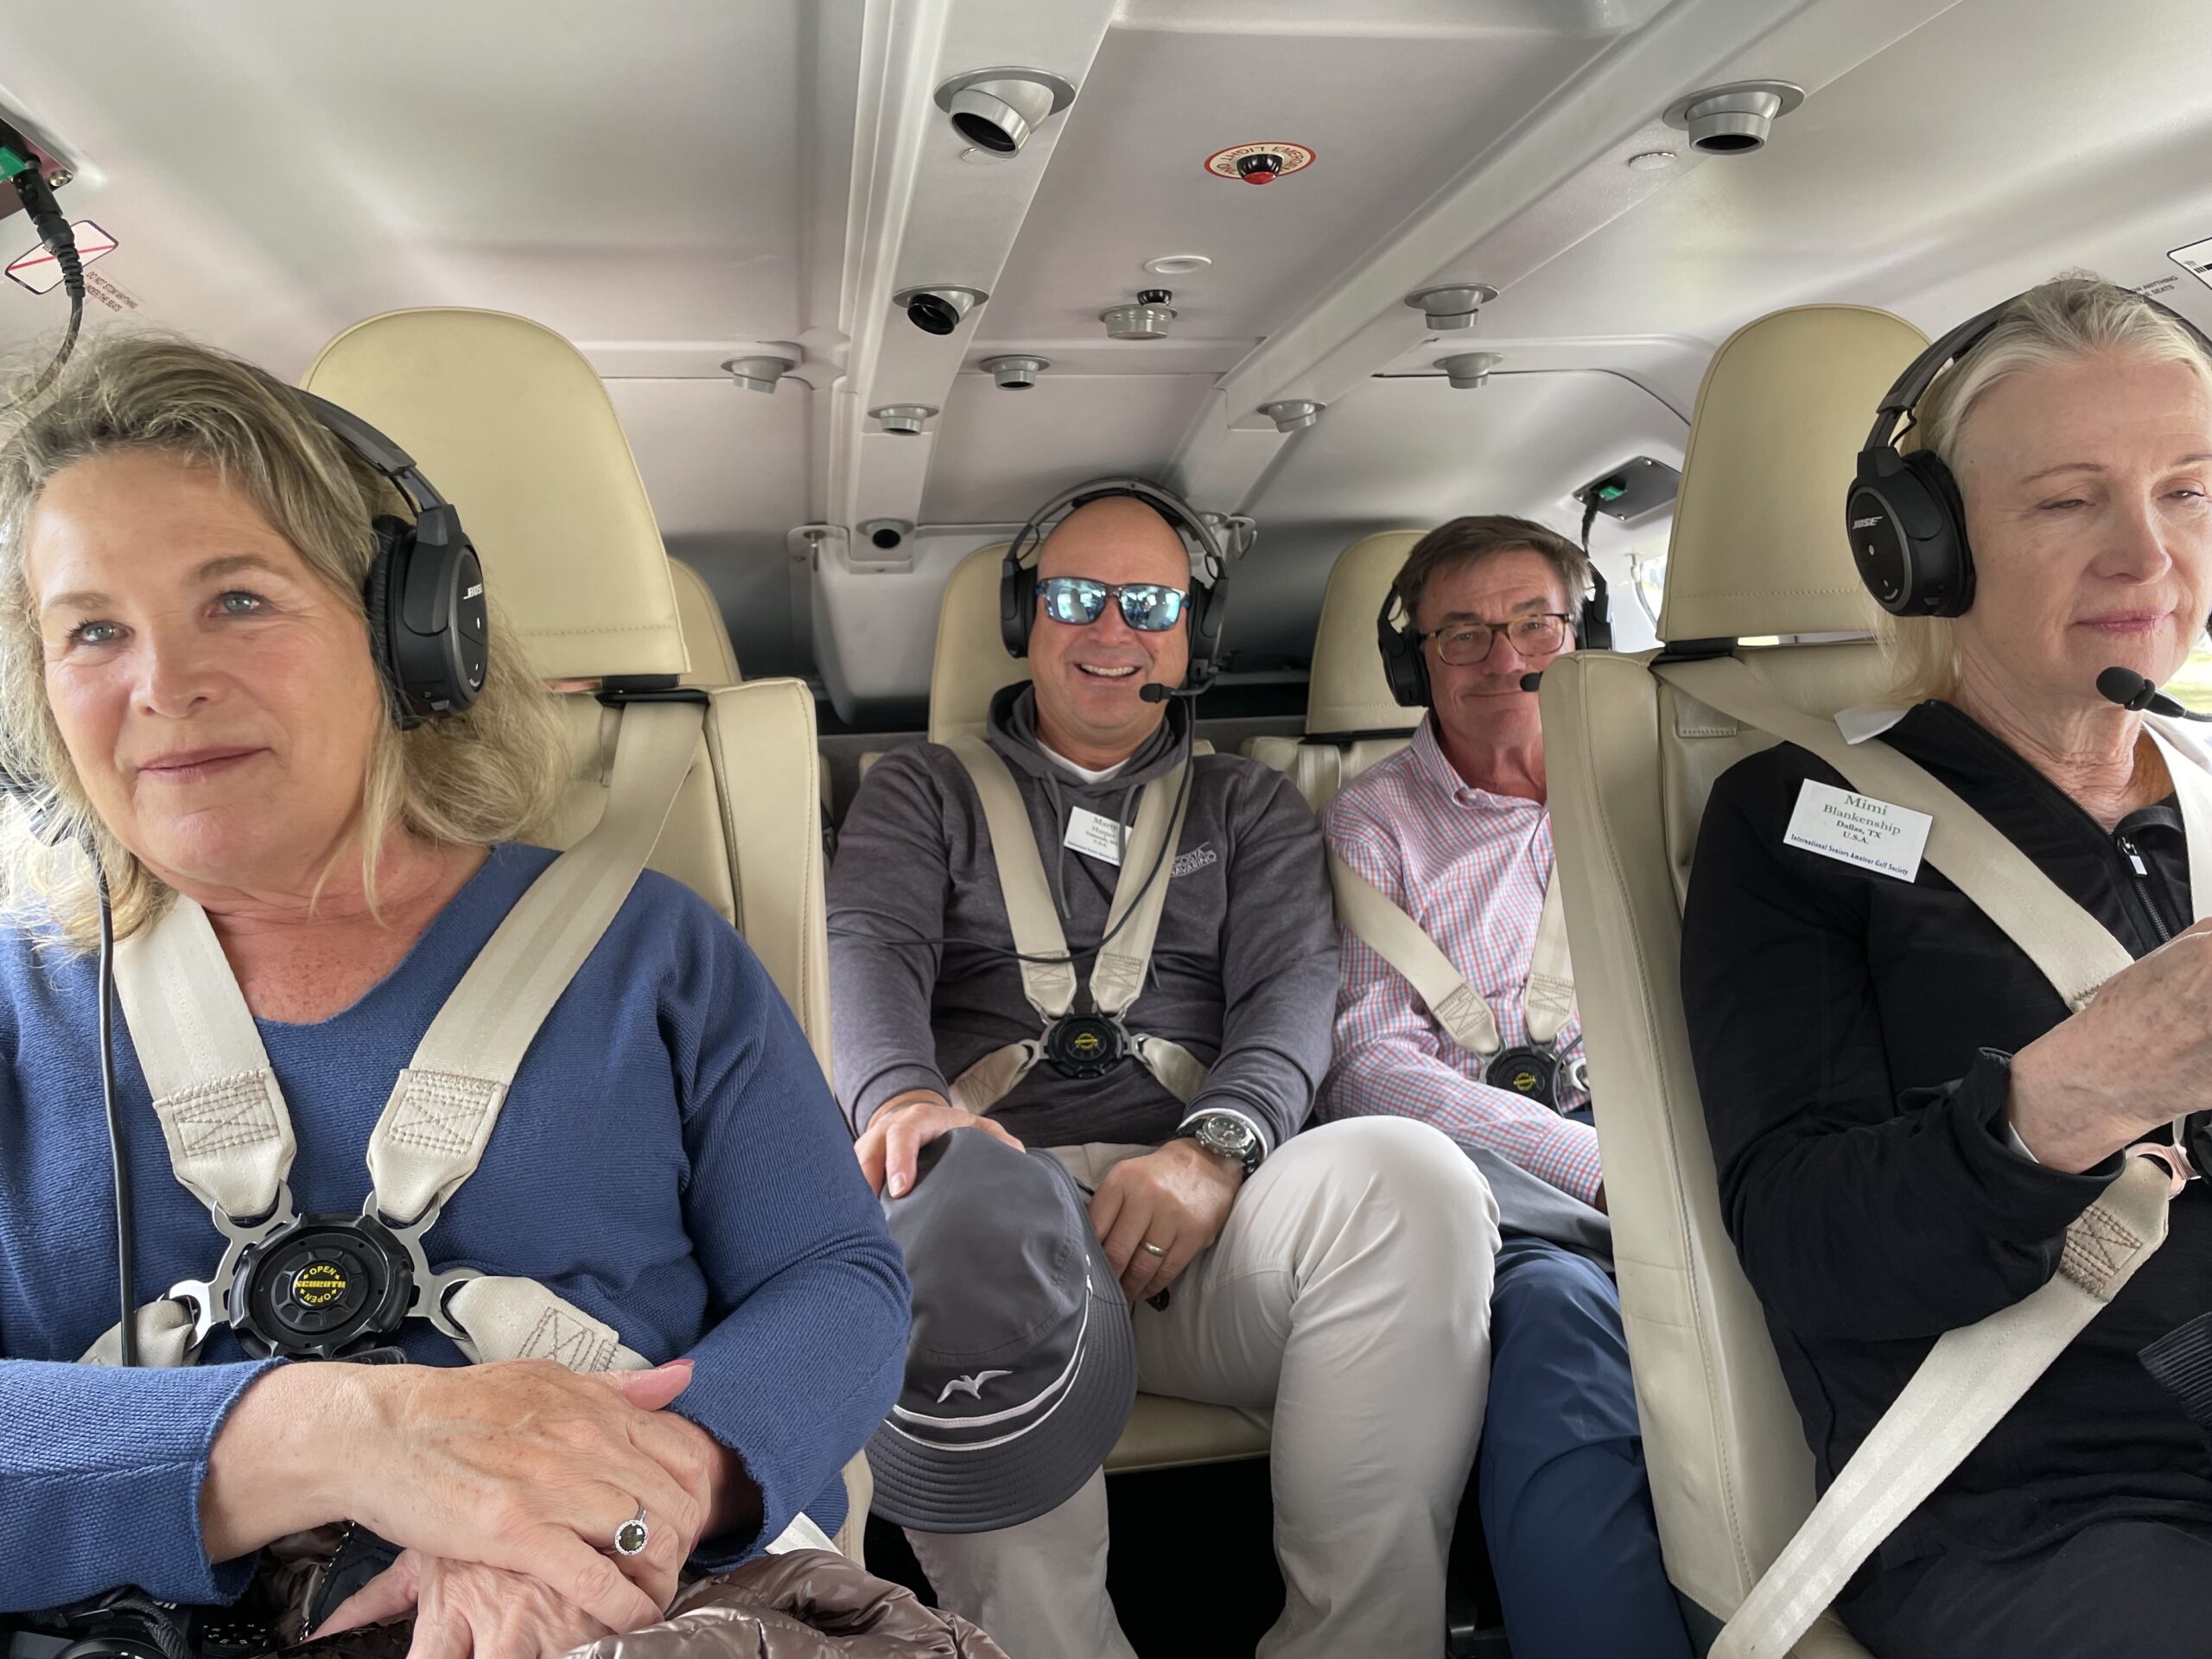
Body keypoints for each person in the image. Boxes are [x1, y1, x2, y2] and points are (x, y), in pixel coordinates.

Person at [0, 337, 911, 1654]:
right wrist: (334, 1436)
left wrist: (615, 1509)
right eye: (93, 629)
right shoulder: (19, 996)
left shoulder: (650, 951)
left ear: (402, 635)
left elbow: (836, 1282)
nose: (162, 684)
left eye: (238, 600)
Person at [828, 486, 1500, 1659]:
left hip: (1204, 1232)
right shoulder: (919, 790)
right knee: (952, 1205)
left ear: (1195, 634)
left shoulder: (1251, 806)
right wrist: (908, 1104)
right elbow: (868, 954)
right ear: (1025, 619)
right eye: (1075, 598)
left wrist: (1216, 1149)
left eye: (1149, 604)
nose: (1111, 630)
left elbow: (1292, 993)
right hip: (999, 1214)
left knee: (1414, 1175)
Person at [1681, 276, 2212, 1656]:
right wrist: (2077, 1095)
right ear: (1927, 550)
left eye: (2187, 492)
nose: (2147, 557)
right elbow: (1806, 1244)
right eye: (2068, 501)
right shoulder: (1796, 819)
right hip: (2047, 1506)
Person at [1321, 515, 1691, 1659]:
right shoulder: (1371, 823)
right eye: (1464, 633)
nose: (1506, 658)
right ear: (1415, 659)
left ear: (1584, 636)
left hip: (1691, 1146)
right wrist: (1592, 1167)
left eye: (1536, 623)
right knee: (1563, 1332)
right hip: (1511, 1190)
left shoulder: (1667, 780)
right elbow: (1371, 1062)